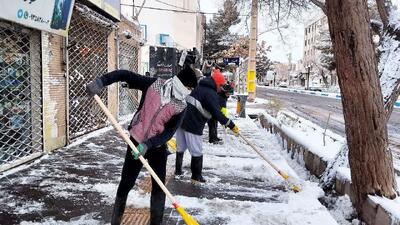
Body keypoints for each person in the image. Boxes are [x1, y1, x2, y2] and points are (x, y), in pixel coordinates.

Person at [85, 66, 198, 225]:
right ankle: (115, 221)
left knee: (159, 188)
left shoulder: (181, 106)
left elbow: (169, 132)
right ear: (181, 83)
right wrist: (100, 82)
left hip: (157, 148)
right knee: (126, 183)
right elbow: (125, 74)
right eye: (189, 88)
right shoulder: (154, 85)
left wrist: (149, 144)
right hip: (135, 142)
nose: (190, 92)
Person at [174, 69, 239, 183]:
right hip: (193, 124)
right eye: (221, 85)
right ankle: (196, 177)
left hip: (182, 120)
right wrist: (231, 125)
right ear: (217, 84)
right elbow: (217, 113)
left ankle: (178, 171)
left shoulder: (200, 87)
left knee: (180, 147)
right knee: (196, 151)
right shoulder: (210, 93)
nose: (222, 88)